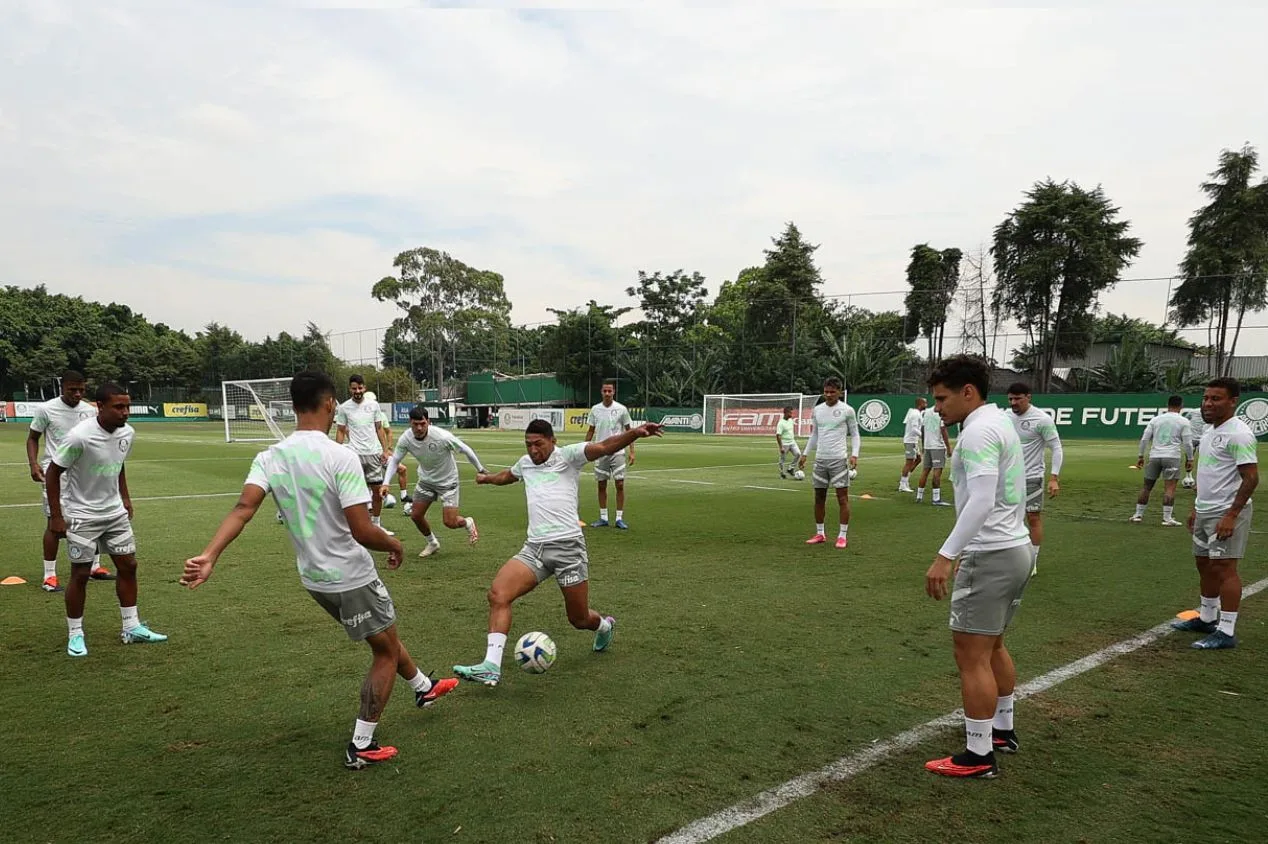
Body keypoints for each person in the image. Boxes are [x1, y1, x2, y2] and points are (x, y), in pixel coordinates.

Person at [181, 371, 458, 769]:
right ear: (330, 404)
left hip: (314, 578)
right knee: (384, 651)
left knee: (385, 636)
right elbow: (362, 530)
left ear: (293, 405)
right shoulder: (339, 456)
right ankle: (361, 743)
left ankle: (423, 687)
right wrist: (395, 543)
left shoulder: (269, 457)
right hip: (350, 575)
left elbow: (243, 509)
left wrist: (209, 555)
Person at [452, 418, 664, 686]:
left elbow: (604, 447)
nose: (532, 450)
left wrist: (633, 434)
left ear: (553, 441)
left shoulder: (569, 456)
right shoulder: (526, 463)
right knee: (498, 594)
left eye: (538, 444)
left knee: (578, 618)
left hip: (568, 549)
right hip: (535, 549)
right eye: (528, 444)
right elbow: (509, 475)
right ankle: (491, 666)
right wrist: (487, 479)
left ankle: (604, 626)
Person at [923, 355, 1032, 779]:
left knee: (971, 657)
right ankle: (1001, 729)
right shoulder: (1000, 422)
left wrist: (946, 556)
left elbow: (983, 501)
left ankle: (978, 754)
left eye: (943, 398)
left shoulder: (978, 431)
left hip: (991, 553)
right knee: (993, 646)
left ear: (968, 392)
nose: (937, 408)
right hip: (1015, 548)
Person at [46, 382, 166, 657]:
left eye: (128, 406)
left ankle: (131, 627)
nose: (126, 412)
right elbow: (53, 473)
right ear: (99, 406)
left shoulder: (128, 433)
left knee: (129, 566)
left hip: (115, 514)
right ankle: (75, 634)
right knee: (80, 574)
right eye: (118, 407)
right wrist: (56, 516)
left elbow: (119, 463)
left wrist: (125, 497)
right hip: (82, 515)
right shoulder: (79, 437)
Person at [1172, 378, 1259, 650]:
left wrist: (1231, 515)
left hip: (1226, 511)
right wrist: (1195, 508)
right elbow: (1208, 474)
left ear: (1233, 401)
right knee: (1203, 564)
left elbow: (1251, 478)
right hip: (1204, 510)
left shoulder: (1238, 433)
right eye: (1206, 398)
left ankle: (1227, 630)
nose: (1208, 403)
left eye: (1216, 399)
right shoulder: (1210, 431)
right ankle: (1207, 617)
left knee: (1224, 569)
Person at [26, 370, 114, 590]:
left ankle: (95, 566)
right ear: (62, 387)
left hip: (86, 474)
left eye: (81, 390)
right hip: (57, 475)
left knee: (92, 518)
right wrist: (34, 464)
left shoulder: (90, 410)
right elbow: (32, 438)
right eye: (72, 390)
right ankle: (49, 576)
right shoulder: (46, 409)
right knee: (55, 524)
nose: (77, 394)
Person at [382, 405, 486, 558]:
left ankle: (467, 522)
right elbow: (395, 460)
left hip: (448, 482)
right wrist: (385, 483)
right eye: (415, 424)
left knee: (450, 522)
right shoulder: (406, 439)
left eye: (422, 424)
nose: (419, 428)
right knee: (416, 515)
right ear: (410, 422)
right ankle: (432, 543)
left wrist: (481, 469)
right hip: (426, 481)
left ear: (428, 422)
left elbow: (465, 449)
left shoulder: (442, 437)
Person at [1005, 382, 1064, 575]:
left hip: (1032, 477)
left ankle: (1033, 561)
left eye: (1018, 398)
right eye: (1011, 399)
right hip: (1008, 478)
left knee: (1033, 518)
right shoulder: (1005, 417)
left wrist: (1054, 477)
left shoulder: (1042, 419)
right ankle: (1011, 559)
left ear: (1028, 397)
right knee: (1008, 519)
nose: (1014, 402)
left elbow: (1056, 447)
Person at [797, 377, 861, 549]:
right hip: (820, 460)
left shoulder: (847, 410)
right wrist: (805, 454)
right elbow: (815, 434)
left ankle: (842, 535)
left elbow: (855, 434)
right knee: (819, 498)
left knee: (842, 498)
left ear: (840, 392)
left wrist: (854, 454)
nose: (829, 395)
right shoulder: (817, 410)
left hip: (838, 460)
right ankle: (820, 533)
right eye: (826, 391)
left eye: (832, 392)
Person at [335, 375, 392, 535]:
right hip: (354, 455)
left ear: (364, 388)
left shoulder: (373, 406)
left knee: (377, 491)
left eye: (360, 388)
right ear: (350, 389)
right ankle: (351, 526)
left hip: (373, 453)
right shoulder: (344, 408)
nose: (357, 391)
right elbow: (340, 430)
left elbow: (379, 429)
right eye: (354, 388)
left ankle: (377, 524)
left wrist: (385, 450)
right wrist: (337, 451)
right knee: (352, 491)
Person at [1132, 395, 1194, 526]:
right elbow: (1188, 443)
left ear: (1168, 405)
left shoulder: (1155, 420)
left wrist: (1141, 456)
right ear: (1181, 406)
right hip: (1172, 457)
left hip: (1155, 456)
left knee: (1147, 486)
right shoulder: (1183, 421)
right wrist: (1190, 458)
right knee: (1170, 488)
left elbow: (1144, 439)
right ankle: (1167, 518)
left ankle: (1138, 515)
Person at [585, 381, 635, 529]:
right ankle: (603, 518)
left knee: (620, 484)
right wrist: (583, 449)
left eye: (610, 391)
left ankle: (619, 518)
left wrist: (632, 452)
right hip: (600, 451)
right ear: (601, 392)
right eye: (605, 391)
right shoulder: (595, 409)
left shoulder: (621, 409)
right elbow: (591, 430)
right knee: (601, 485)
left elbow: (629, 431)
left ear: (614, 392)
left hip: (618, 452)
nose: (607, 393)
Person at [369, 393, 411, 504]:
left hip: (381, 453)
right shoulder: (360, 416)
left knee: (402, 469)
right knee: (369, 481)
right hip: (368, 454)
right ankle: (368, 504)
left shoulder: (381, 416)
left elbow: (388, 432)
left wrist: (388, 449)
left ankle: (404, 495)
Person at [915, 399, 953, 506]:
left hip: (927, 446)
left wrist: (923, 445)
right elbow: (943, 430)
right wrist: (949, 447)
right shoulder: (940, 413)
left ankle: (919, 496)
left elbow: (922, 430)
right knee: (937, 472)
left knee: (925, 471)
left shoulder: (926, 413)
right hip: (938, 447)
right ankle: (936, 499)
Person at [899, 397, 926, 492]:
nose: (926, 405)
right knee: (909, 462)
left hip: (914, 441)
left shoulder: (917, 413)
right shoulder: (915, 414)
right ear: (920, 404)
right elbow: (914, 429)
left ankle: (906, 479)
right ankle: (903, 484)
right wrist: (924, 436)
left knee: (918, 459)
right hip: (910, 440)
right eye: (925, 403)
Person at [776, 406, 803, 479]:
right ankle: (782, 473)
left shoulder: (791, 420)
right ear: (785, 413)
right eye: (790, 413)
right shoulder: (781, 423)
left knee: (798, 454)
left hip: (792, 442)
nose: (791, 414)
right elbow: (778, 435)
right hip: (785, 443)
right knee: (782, 459)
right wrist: (781, 447)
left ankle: (791, 468)